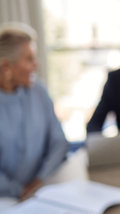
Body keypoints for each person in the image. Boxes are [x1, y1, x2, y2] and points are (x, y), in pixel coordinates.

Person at [0, 23, 68, 201]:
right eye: (29, 59)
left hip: (41, 190)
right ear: (6, 67)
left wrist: (39, 181)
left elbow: (59, 142)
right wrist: (18, 191)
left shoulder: (39, 91)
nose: (36, 65)